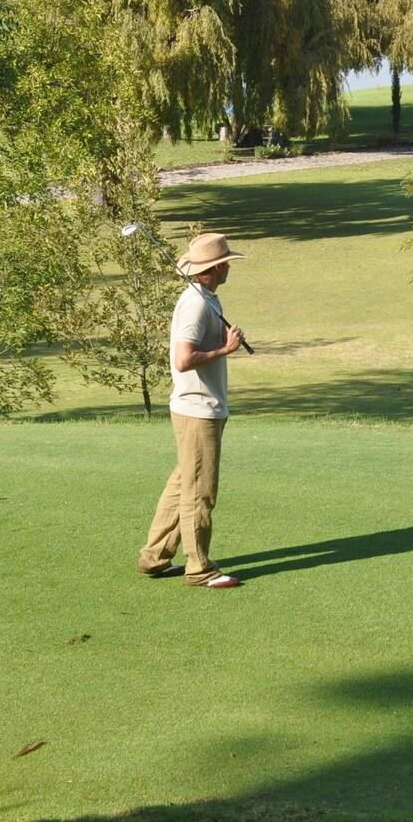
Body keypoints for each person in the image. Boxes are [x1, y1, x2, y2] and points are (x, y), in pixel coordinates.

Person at [138, 231, 245, 589]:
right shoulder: (196, 304)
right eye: (224, 262)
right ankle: (199, 568)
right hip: (198, 410)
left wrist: (224, 342)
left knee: (183, 482)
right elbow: (184, 359)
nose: (229, 265)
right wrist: (225, 350)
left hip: (200, 407)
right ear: (212, 270)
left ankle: (154, 557)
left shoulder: (206, 298)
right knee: (200, 490)